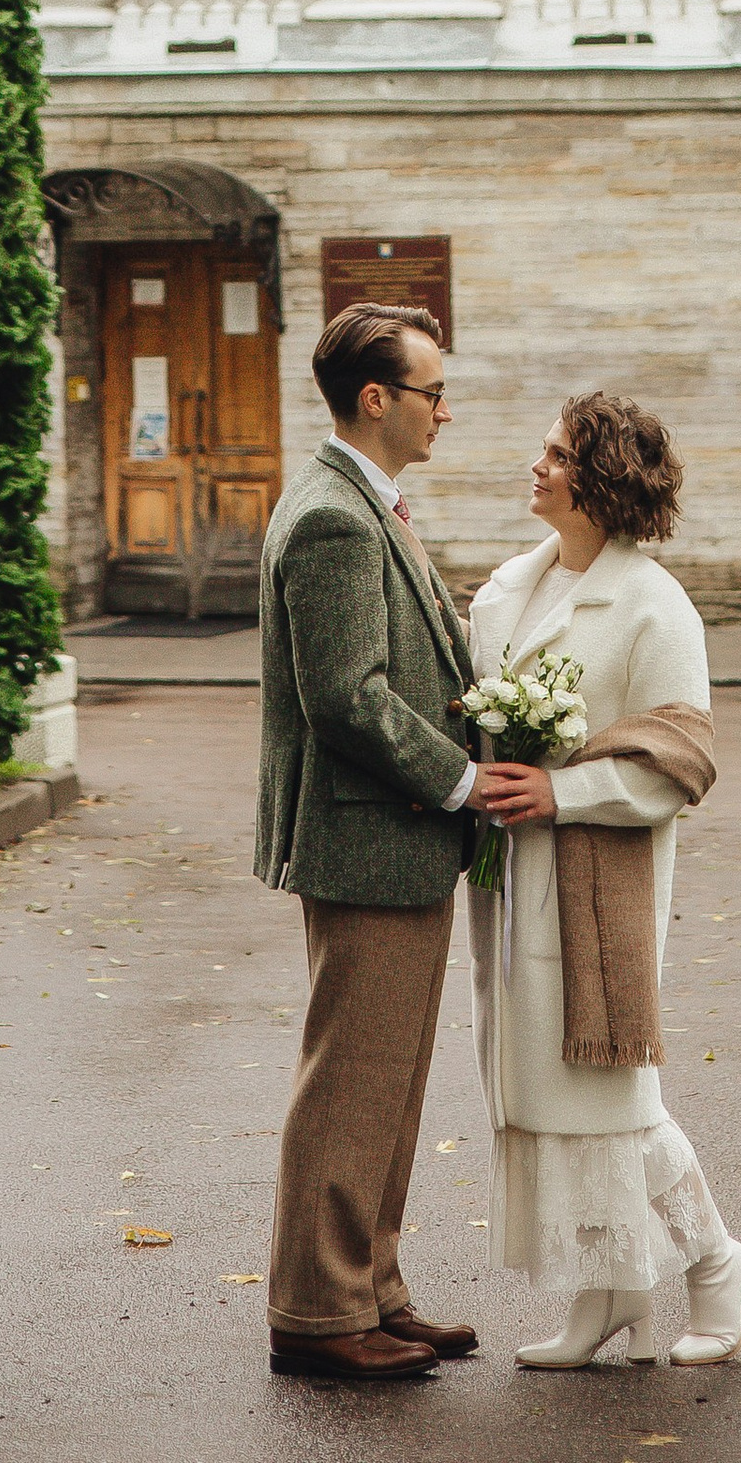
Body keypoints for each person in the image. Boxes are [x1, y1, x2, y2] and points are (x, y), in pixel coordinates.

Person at [464, 391, 741, 1369]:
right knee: (547, 1097)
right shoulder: (505, 590)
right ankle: (609, 1299)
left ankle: (716, 1266)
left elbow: (679, 761)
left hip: (601, 885)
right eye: (543, 449)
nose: (537, 465)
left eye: (556, 455)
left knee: (613, 1102)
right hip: (510, 879)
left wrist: (565, 792)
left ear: (601, 481)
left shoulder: (653, 604)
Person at [255, 300, 482, 1385]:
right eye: (434, 391)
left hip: (396, 842)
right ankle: (315, 1312)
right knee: (350, 1082)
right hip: (370, 837)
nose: (448, 410)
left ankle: (372, 1289)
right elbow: (346, 697)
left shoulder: (365, 500)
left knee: (386, 1081)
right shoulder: (333, 517)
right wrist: (465, 778)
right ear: (377, 397)